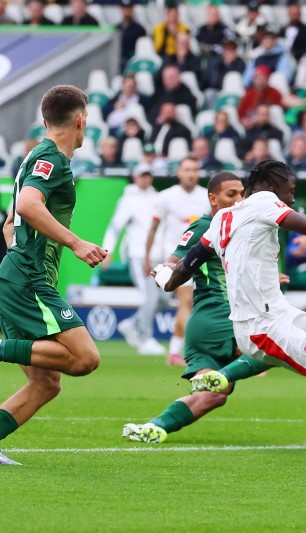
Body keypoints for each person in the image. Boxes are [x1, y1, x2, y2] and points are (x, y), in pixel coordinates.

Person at [152, 159, 306, 452]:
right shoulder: (264, 203)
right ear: (273, 186)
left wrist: (164, 278)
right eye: (292, 189)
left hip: (278, 313)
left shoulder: (223, 219)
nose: (293, 197)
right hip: (261, 326)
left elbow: (182, 270)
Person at [0, 85, 106, 465]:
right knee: (84, 359)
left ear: (46, 120)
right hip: (28, 280)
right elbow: (27, 207)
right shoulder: (52, 160)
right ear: (80, 121)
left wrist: (17, 260)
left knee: (46, 383)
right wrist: (76, 244)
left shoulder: (32, 158)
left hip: (18, 276)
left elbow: (10, 223)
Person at [122, 173, 267, 443]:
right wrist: (164, 269)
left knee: (215, 395)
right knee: (278, 350)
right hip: (221, 318)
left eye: (241, 194)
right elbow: (175, 259)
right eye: (231, 194)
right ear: (212, 199)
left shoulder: (240, 228)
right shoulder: (206, 226)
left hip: (205, 326)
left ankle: (155, 427)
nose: (239, 200)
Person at [144, 157, 209, 366]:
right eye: (187, 169)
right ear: (179, 172)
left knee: (189, 304)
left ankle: (173, 351)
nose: (190, 174)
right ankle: (193, 352)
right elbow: (153, 228)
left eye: (194, 170)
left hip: (203, 258)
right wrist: (148, 257)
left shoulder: (207, 197)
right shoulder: (166, 197)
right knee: (187, 302)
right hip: (175, 259)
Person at [101, 164, 166, 356]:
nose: (145, 179)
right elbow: (115, 227)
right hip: (138, 255)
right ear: (135, 178)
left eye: (148, 175)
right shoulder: (128, 200)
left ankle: (132, 324)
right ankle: (144, 337)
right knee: (151, 296)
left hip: (159, 255)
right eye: (142, 176)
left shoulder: (157, 198)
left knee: (164, 298)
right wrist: (107, 251)